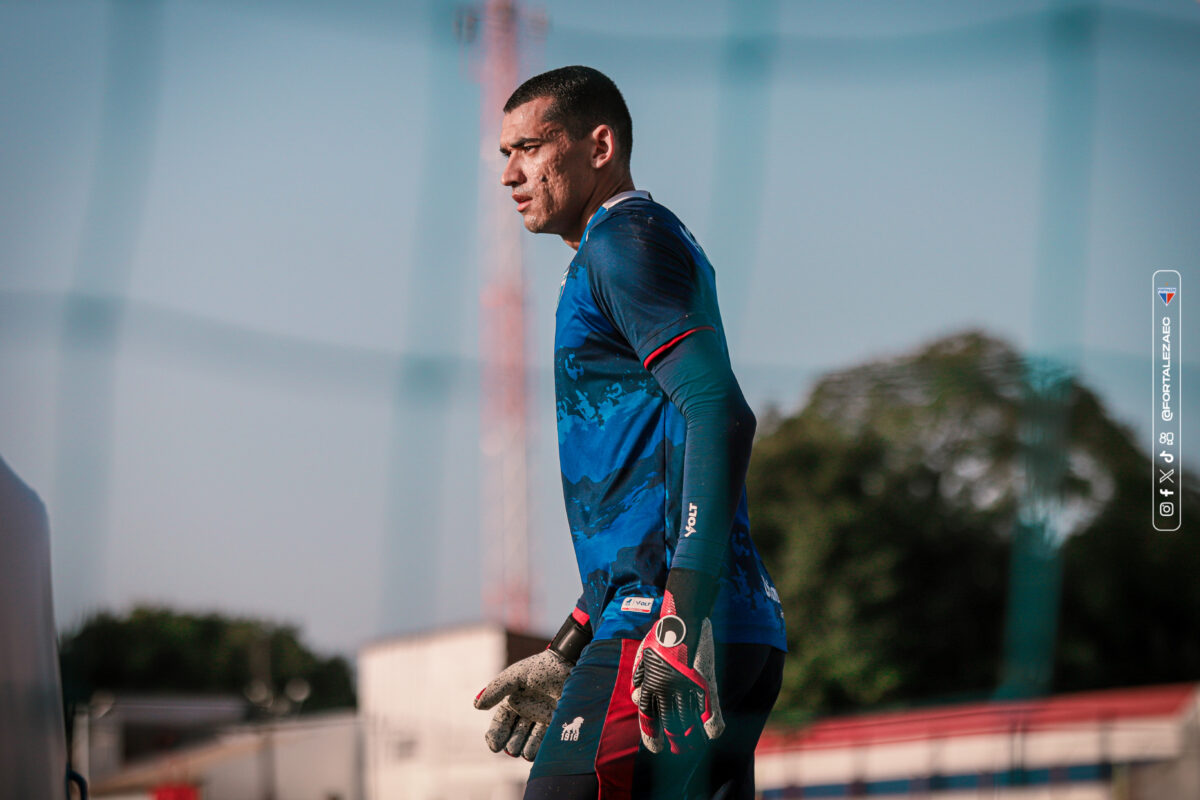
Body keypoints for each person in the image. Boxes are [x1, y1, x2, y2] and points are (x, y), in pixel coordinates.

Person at [473, 66, 786, 800]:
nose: (510, 173)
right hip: (699, 620)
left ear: (600, 145)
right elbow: (646, 481)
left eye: (530, 148)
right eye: (503, 155)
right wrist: (571, 643)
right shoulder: (625, 246)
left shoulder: (624, 242)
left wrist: (676, 619)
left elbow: (718, 412)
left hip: (669, 629)